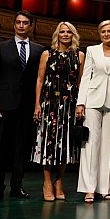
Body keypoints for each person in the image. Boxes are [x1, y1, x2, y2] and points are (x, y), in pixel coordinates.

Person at [0, 10, 45, 202]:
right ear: (14, 25)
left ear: (31, 26)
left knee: (21, 148)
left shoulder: (39, 49)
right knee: (0, 148)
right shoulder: (1, 47)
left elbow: (40, 79)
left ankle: (17, 186)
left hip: (27, 106)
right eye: (18, 22)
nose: (21, 25)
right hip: (4, 105)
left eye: (25, 23)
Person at [76, 20, 110, 202]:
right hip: (92, 99)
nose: (106, 34)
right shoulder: (91, 50)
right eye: (103, 31)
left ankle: (105, 188)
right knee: (90, 143)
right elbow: (85, 77)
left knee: (109, 143)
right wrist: (80, 102)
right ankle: (89, 188)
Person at [32, 22, 85, 201]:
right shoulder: (47, 54)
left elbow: (80, 83)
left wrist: (81, 104)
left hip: (69, 105)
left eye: (68, 32)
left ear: (73, 35)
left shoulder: (79, 55)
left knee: (65, 144)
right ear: (57, 34)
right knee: (48, 143)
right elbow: (39, 80)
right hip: (49, 104)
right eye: (62, 32)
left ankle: (59, 181)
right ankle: (47, 182)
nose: (65, 34)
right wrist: (37, 105)